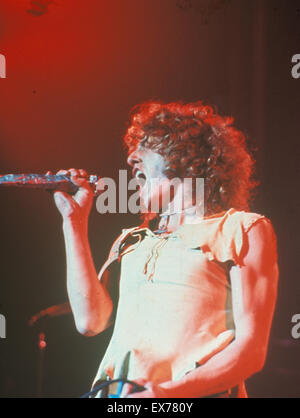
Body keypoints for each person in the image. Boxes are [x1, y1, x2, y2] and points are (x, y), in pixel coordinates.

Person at [51, 101, 279, 398]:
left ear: (185, 156)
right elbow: (89, 321)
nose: (131, 158)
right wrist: (74, 222)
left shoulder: (243, 229)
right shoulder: (131, 240)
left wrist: (168, 393)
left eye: (146, 146)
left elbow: (251, 350)